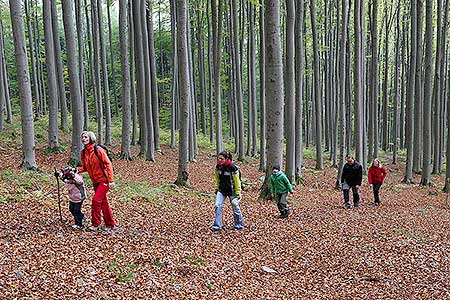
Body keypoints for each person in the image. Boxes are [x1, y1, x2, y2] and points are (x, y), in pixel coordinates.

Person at [77, 131, 116, 231]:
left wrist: (111, 180)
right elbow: (85, 167)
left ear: (90, 138)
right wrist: (75, 170)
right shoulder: (83, 152)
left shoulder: (98, 150)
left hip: (104, 180)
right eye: (82, 137)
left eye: (86, 137)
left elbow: (108, 164)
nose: (84, 139)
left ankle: (95, 224)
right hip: (95, 181)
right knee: (103, 202)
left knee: (96, 200)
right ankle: (110, 224)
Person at [211, 151, 243, 232]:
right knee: (218, 206)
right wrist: (217, 188)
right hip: (221, 190)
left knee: (235, 206)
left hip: (232, 191)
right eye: (218, 158)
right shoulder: (218, 167)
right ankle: (217, 226)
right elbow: (217, 179)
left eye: (221, 159)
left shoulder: (233, 168)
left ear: (226, 159)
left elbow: (237, 181)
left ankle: (238, 225)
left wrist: (238, 192)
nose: (219, 160)